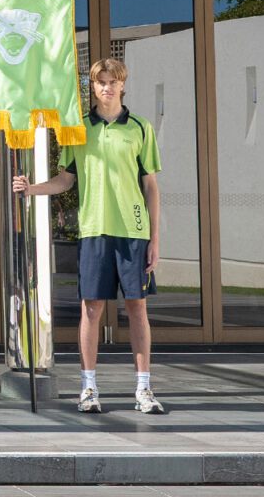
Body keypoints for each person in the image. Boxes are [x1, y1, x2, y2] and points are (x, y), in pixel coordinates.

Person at [14, 57, 167, 415]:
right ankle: (88, 388)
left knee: (137, 307)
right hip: (94, 229)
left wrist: (155, 239)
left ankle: (144, 389)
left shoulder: (141, 128)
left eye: (113, 82)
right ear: (93, 87)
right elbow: (65, 180)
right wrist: (31, 188)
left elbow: (151, 187)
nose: (107, 88)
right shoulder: (78, 128)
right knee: (91, 308)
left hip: (133, 232)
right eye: (101, 82)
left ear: (122, 85)